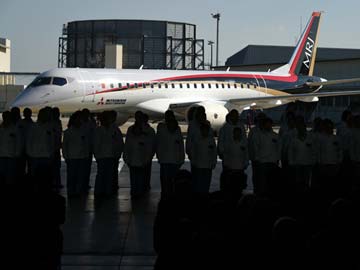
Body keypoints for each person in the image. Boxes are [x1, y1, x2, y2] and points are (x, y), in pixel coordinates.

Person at [93, 111, 124, 197]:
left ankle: (109, 191)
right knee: (101, 174)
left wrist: (117, 154)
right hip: (102, 156)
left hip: (112, 156)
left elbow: (119, 143)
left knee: (110, 175)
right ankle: (100, 191)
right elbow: (96, 144)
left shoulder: (114, 129)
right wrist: (97, 156)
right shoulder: (99, 130)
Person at [124, 114, 154, 198]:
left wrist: (148, 158)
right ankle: (136, 192)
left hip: (142, 161)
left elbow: (150, 147)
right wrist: (127, 159)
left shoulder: (147, 132)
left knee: (141, 178)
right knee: (135, 179)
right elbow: (127, 147)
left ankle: (141, 191)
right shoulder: (131, 132)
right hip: (134, 161)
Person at [62, 111, 92, 197]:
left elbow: (86, 144)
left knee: (80, 177)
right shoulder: (68, 132)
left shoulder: (84, 131)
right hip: (72, 158)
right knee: (71, 177)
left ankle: (79, 192)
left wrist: (86, 155)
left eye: (80, 119)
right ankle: (71, 192)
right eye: (78, 119)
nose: (80, 121)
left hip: (82, 157)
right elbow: (64, 146)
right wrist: (66, 157)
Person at [156, 110, 185, 196]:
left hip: (172, 159)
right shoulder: (162, 128)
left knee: (169, 181)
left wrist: (181, 157)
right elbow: (158, 143)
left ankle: (169, 195)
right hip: (167, 159)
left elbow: (180, 144)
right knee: (167, 181)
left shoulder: (175, 129)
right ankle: (167, 195)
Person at [26, 107, 55, 189]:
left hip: (46, 156)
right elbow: (28, 141)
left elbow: (52, 142)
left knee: (46, 179)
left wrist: (51, 153)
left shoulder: (49, 127)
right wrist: (30, 154)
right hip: (35, 157)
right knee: (35, 179)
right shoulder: (33, 127)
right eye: (46, 115)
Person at [252, 117, 280, 197]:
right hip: (263, 162)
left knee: (272, 182)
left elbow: (279, 148)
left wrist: (277, 159)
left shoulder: (275, 136)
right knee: (262, 182)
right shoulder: (259, 135)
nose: (268, 126)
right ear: (264, 125)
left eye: (269, 125)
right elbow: (256, 147)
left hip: (273, 162)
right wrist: (257, 159)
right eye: (267, 125)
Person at [287, 116, 316, 194]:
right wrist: (291, 162)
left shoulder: (310, 138)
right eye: (299, 128)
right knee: (298, 182)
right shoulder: (294, 140)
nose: (301, 129)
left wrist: (313, 162)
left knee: (306, 182)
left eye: (303, 128)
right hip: (297, 164)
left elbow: (314, 151)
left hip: (307, 164)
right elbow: (290, 152)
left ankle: (306, 195)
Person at [219, 127, 249, 198]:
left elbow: (246, 155)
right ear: (233, 134)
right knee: (231, 188)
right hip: (231, 168)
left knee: (239, 188)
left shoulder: (244, 143)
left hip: (240, 168)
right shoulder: (229, 143)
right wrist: (226, 165)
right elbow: (225, 155)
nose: (237, 135)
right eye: (236, 133)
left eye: (239, 133)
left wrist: (246, 164)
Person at [189, 122, 217, 194]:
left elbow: (214, 152)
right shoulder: (196, 140)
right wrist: (193, 162)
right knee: (198, 184)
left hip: (208, 166)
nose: (205, 131)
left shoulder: (211, 140)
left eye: (206, 130)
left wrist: (214, 162)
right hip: (199, 166)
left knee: (206, 184)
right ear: (201, 130)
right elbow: (193, 152)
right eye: (203, 130)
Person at [0, 111, 23, 187]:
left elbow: (18, 142)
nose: (5, 118)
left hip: (11, 156)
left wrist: (17, 153)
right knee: (2, 175)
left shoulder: (15, 128)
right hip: (1, 156)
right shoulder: (0, 128)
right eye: (4, 116)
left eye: (7, 116)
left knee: (10, 177)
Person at [51, 107, 63, 191]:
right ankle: (54, 182)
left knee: (57, 166)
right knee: (53, 167)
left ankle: (57, 182)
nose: (58, 114)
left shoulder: (59, 122)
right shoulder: (51, 123)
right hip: (51, 149)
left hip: (56, 148)